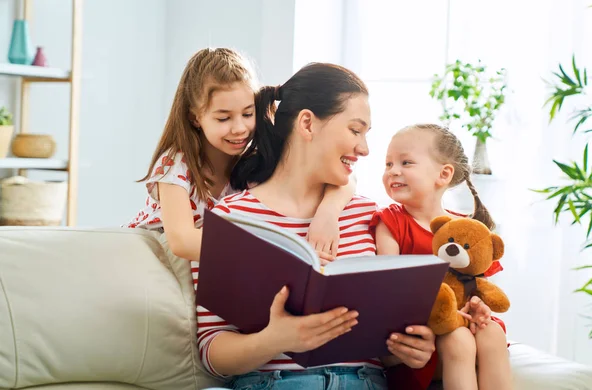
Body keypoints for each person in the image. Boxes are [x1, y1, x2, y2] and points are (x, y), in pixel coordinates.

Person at [197, 63, 436, 389]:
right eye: (355, 130)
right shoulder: (231, 218)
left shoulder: (371, 215)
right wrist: (274, 339)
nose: (364, 149)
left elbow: (385, 343)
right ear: (307, 123)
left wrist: (409, 349)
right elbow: (212, 349)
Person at [125, 48, 356, 263]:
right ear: (195, 117)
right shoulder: (176, 163)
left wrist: (328, 213)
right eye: (223, 118)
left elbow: (344, 177)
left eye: (248, 114)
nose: (239, 128)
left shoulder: (256, 159)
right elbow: (183, 242)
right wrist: (280, 256)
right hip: (155, 261)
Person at [372, 123, 511, 390]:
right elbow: (388, 288)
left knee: (492, 332)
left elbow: (480, 287)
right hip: (424, 334)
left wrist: (479, 309)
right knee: (457, 338)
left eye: (406, 162)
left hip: (464, 322)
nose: (393, 171)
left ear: (444, 174)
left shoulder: (466, 229)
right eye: (388, 164)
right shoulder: (391, 221)